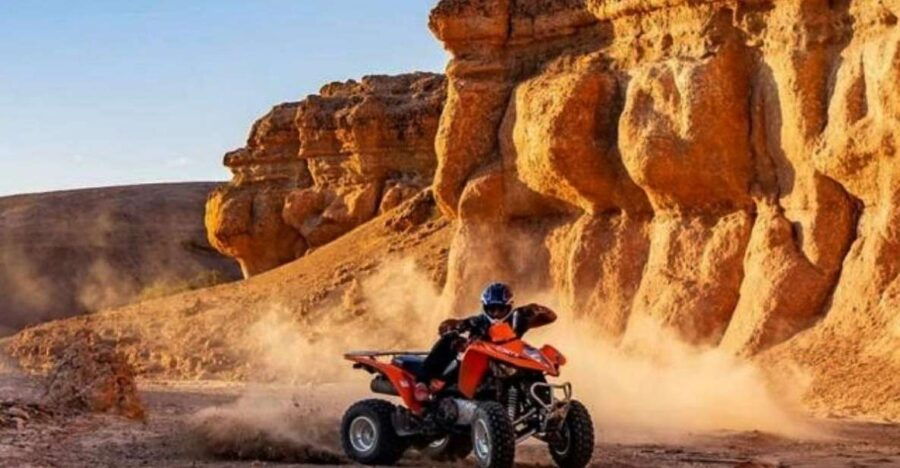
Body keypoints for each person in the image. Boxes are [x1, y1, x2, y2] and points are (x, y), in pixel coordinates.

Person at [419, 282, 557, 385]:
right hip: (480, 365)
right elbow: (445, 327)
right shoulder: (476, 322)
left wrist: (536, 310)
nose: (496, 314)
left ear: (509, 306)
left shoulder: (518, 318)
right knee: (450, 342)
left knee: (533, 368)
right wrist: (455, 328)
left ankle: (547, 404)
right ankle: (423, 383)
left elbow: (551, 317)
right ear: (485, 308)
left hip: (511, 360)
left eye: (501, 309)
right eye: (491, 309)